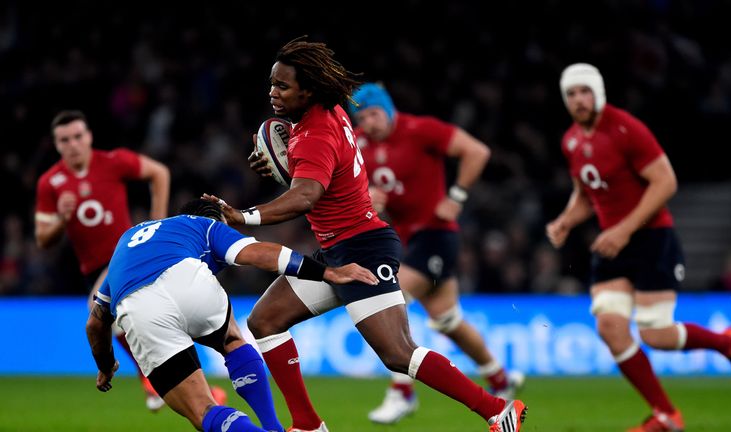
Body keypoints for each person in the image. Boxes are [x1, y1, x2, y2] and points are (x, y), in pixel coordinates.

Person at [203, 37, 527, 432]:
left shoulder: (314, 133)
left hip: (363, 249)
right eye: (272, 83)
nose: (272, 92)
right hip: (336, 249)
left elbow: (306, 196)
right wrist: (287, 168)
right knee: (266, 320)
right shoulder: (330, 113)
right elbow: (318, 179)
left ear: (307, 90)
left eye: (282, 86)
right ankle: (307, 423)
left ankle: (496, 408)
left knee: (397, 352)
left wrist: (244, 215)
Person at [546, 63, 731, 432]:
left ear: (598, 92)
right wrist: (566, 219)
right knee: (610, 327)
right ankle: (666, 414)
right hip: (613, 243)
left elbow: (666, 182)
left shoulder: (625, 128)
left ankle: (730, 345)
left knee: (656, 335)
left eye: (584, 91)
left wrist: (625, 230)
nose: (579, 100)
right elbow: (587, 190)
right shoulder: (571, 141)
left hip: (650, 240)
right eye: (571, 94)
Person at [85, 198, 378, 432]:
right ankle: (273, 427)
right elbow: (259, 253)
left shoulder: (128, 240)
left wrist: (106, 365)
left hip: (139, 308)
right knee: (232, 339)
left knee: (204, 412)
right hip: (187, 279)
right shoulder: (206, 225)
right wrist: (326, 271)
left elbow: (96, 322)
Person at [348, 82, 524, 424]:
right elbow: (351, 187)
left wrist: (456, 197)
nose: (369, 121)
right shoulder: (358, 143)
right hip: (403, 239)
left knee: (390, 297)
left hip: (436, 235)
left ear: (388, 109)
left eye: (374, 113)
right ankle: (501, 380)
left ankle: (402, 393)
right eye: (362, 116)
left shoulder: (421, 129)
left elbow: (477, 152)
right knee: (448, 320)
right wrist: (366, 195)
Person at [34, 110, 179, 411]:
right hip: (93, 268)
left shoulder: (113, 161)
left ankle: (143, 377)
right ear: (56, 145)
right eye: (65, 140)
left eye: (77, 136)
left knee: (97, 308)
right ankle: (173, 384)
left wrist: (157, 224)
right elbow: (43, 239)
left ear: (88, 137)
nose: (73, 144)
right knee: (129, 324)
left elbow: (159, 173)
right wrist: (62, 218)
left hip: (126, 255)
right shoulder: (51, 183)